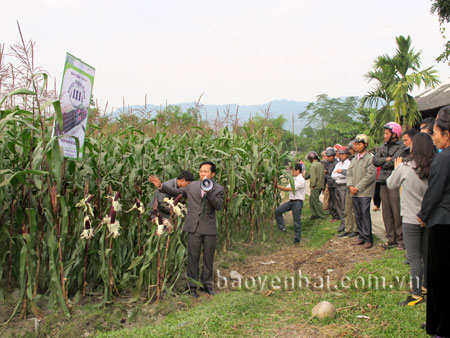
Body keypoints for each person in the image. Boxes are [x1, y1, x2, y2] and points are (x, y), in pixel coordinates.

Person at [154, 161, 224, 298]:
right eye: (201, 171)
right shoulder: (192, 186)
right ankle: (192, 286)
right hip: (193, 227)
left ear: (213, 174)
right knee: (193, 257)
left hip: (209, 228)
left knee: (208, 258)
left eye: (206, 171)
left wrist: (208, 192)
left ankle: (207, 285)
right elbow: (177, 191)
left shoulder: (218, 189)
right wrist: (161, 186)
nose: (203, 174)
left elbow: (218, 205)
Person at [387, 133, 434, 306]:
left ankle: (416, 294)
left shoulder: (406, 167)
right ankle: (426, 286)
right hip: (428, 217)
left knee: (414, 257)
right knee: (426, 254)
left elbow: (391, 183)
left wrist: (396, 167)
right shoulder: (434, 165)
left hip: (411, 218)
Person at [417, 107, 450, 337]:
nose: (434, 137)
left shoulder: (443, 158)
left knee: (439, 279)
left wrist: (423, 215)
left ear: (447, 134)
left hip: (441, 222)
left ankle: (440, 326)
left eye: (436, 132)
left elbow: (434, 192)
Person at [373, 122, 407, 249]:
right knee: (386, 212)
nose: (384, 135)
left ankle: (401, 240)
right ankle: (391, 239)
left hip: (395, 183)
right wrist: (386, 160)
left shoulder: (401, 147)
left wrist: (385, 161)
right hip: (383, 182)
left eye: (387, 133)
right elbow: (375, 161)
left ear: (394, 134)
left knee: (396, 210)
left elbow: (395, 162)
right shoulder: (383, 147)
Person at [346, 134, 377, 249]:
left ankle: (368, 238)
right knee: (357, 214)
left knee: (364, 214)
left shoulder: (370, 158)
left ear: (365, 145)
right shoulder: (354, 159)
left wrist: (357, 187)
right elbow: (349, 174)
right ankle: (361, 236)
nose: (356, 146)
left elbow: (370, 176)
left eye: (359, 144)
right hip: (354, 192)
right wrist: (350, 186)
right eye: (356, 144)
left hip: (364, 192)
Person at [275, 163, 306, 244]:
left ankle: (297, 239)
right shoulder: (294, 179)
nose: (291, 172)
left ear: (297, 171)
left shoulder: (301, 180)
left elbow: (290, 189)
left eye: (293, 170)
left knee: (296, 221)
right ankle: (282, 228)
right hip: (292, 201)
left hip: (297, 202)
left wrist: (278, 187)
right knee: (278, 211)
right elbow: (288, 186)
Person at [339, 141, 359, 238]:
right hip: (349, 186)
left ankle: (355, 229)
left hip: (355, 187)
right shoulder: (354, 160)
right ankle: (348, 229)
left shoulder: (353, 161)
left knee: (353, 210)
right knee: (347, 210)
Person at [331, 147, 351, 233]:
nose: (341, 156)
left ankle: (346, 224)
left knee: (344, 205)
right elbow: (333, 175)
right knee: (338, 205)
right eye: (340, 154)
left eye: (343, 154)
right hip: (337, 185)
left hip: (344, 185)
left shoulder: (348, 163)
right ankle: (343, 223)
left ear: (346, 154)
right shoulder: (338, 164)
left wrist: (340, 173)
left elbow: (346, 174)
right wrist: (339, 173)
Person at [306, 151, 326, 219]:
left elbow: (313, 177)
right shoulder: (320, 164)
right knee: (311, 200)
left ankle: (321, 215)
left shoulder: (313, 165)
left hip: (316, 185)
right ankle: (314, 214)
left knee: (316, 201)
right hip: (321, 184)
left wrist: (313, 185)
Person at [324, 147, 339, 220]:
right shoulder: (329, 163)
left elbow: (334, 176)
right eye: (327, 156)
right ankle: (333, 213)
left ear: (333, 156)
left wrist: (327, 174)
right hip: (330, 185)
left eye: (329, 156)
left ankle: (336, 215)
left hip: (335, 185)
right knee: (331, 200)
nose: (328, 158)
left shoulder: (336, 163)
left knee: (335, 201)